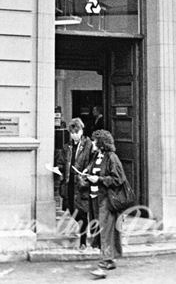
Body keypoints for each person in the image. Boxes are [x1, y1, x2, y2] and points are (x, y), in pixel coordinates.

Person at [81, 129, 127, 278]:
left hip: (107, 200)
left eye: (94, 141)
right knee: (100, 230)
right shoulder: (96, 156)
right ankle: (110, 259)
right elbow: (92, 171)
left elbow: (118, 179)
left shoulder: (112, 158)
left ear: (101, 143)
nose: (92, 143)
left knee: (105, 231)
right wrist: (86, 176)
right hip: (95, 198)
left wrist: (99, 180)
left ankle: (103, 265)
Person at [54, 118, 94, 249]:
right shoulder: (67, 146)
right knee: (71, 210)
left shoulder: (88, 145)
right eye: (72, 132)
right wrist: (58, 168)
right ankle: (84, 231)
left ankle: (83, 240)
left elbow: (92, 162)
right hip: (69, 182)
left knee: (82, 211)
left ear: (82, 131)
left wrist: (85, 173)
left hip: (82, 184)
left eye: (76, 132)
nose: (74, 135)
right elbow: (61, 161)